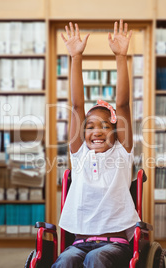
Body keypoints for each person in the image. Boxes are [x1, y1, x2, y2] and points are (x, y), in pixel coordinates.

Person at [52, 20, 140, 268]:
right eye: (89, 126)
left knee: (97, 258)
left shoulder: (122, 154)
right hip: (80, 242)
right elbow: (77, 107)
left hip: (115, 243)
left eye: (104, 126)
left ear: (115, 132)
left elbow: (122, 105)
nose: (96, 131)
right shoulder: (79, 155)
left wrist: (121, 57)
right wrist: (76, 57)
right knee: (65, 261)